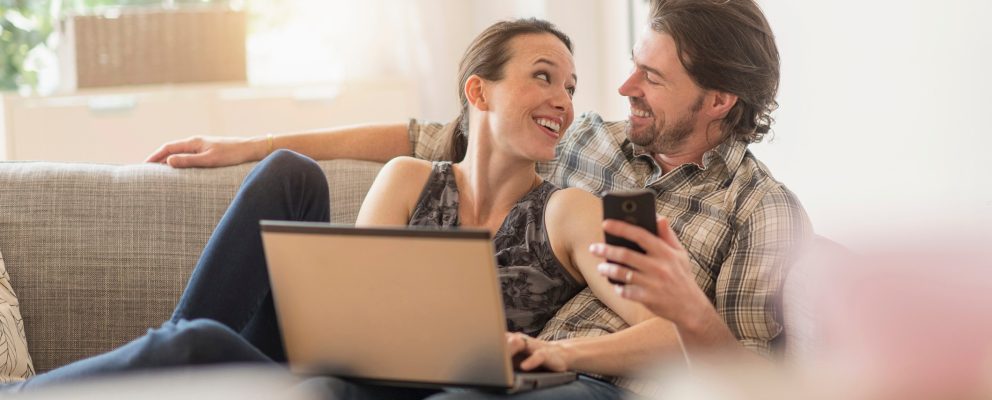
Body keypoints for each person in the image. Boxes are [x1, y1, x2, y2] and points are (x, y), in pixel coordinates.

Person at [146, 0, 813, 398]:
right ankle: (170, 365)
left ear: (718, 99)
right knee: (288, 185)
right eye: (633, 63)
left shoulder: (760, 210)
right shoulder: (585, 138)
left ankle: (173, 365)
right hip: (505, 364)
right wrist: (253, 143)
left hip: (593, 380)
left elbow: (748, 376)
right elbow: (436, 136)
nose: (624, 85)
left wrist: (573, 352)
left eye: (652, 76)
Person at [3, 18, 662, 400]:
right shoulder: (408, 178)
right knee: (289, 173)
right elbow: (351, 320)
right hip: (334, 367)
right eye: (543, 76)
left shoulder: (566, 211)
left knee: (196, 344)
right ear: (479, 92)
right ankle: (177, 373)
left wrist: (559, 352)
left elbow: (668, 333)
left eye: (571, 86)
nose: (563, 101)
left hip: (383, 393)